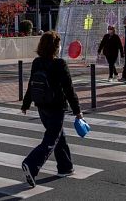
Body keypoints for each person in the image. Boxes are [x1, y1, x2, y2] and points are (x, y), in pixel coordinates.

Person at [20, 31, 82, 188]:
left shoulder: (37, 62)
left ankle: (65, 167)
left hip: (41, 106)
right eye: (59, 45)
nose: (60, 47)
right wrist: (77, 111)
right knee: (51, 139)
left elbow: (31, 84)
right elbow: (69, 89)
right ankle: (31, 164)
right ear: (55, 47)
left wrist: (26, 104)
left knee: (58, 136)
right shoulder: (59, 64)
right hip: (56, 107)